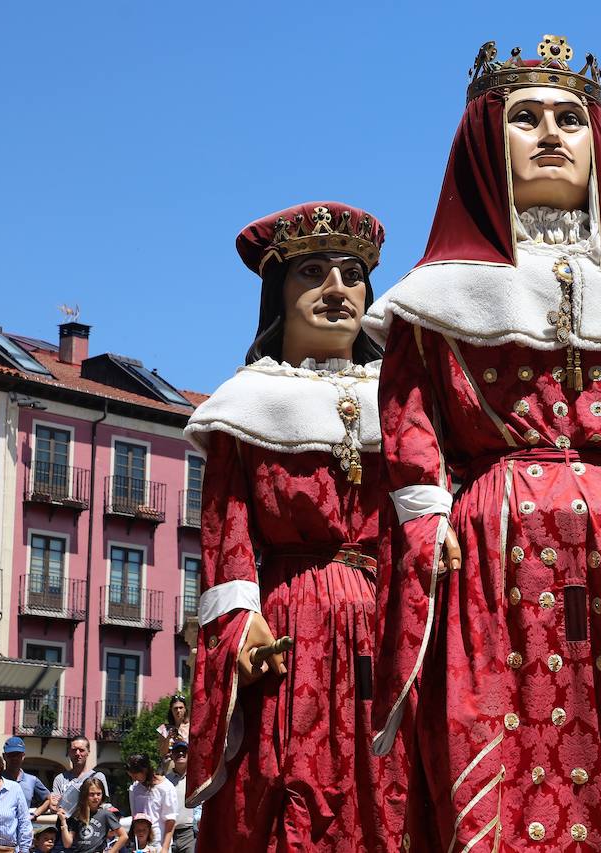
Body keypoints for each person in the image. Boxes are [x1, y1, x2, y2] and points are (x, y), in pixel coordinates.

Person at [364, 35, 601, 851]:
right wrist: (428, 517)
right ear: (484, 141)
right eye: (526, 117)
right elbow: (409, 421)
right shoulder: (432, 303)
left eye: (570, 119)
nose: (550, 133)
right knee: (501, 754)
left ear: (597, 144)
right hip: (490, 556)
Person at [184, 201, 414, 849]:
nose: (337, 290)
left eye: (352, 274)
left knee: (391, 791)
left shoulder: (402, 402)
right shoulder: (245, 404)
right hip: (291, 624)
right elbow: (225, 536)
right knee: (291, 786)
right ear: (277, 293)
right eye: (313, 272)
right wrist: (239, 624)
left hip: (385, 624)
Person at [55, 775, 125, 853]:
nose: (96, 797)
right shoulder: (77, 816)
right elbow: (67, 844)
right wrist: (63, 821)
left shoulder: (106, 814)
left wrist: (111, 852)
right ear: (84, 795)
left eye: (99, 794)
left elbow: (124, 836)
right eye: (91, 794)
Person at [125, 756, 174, 850]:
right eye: (131, 776)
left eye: (135, 775)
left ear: (145, 770)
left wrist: (165, 848)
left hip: (158, 841)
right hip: (140, 842)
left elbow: (170, 820)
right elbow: (134, 816)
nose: (134, 779)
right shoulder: (134, 788)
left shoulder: (166, 788)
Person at [50, 739, 106, 817]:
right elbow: (53, 807)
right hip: (65, 826)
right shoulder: (60, 779)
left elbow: (102, 805)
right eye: (74, 750)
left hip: (89, 826)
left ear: (88, 752)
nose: (77, 753)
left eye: (81, 750)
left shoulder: (98, 777)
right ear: (69, 752)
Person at [161, 743, 194, 853]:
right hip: (168, 834)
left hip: (190, 833)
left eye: (184, 751)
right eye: (177, 751)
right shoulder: (165, 781)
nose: (180, 753)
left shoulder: (196, 778)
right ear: (172, 755)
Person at [0, 738, 49, 812]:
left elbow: (49, 799)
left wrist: (36, 813)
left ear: (23, 756)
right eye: (11, 755)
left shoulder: (32, 780)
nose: (15, 758)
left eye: (18, 755)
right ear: (4, 756)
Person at [155, 699, 187, 765]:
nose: (178, 711)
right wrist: (168, 738)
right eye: (175, 708)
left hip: (187, 764)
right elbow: (162, 753)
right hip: (169, 766)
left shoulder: (192, 727)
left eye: (181, 708)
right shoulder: (163, 729)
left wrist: (182, 741)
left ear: (185, 709)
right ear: (171, 710)